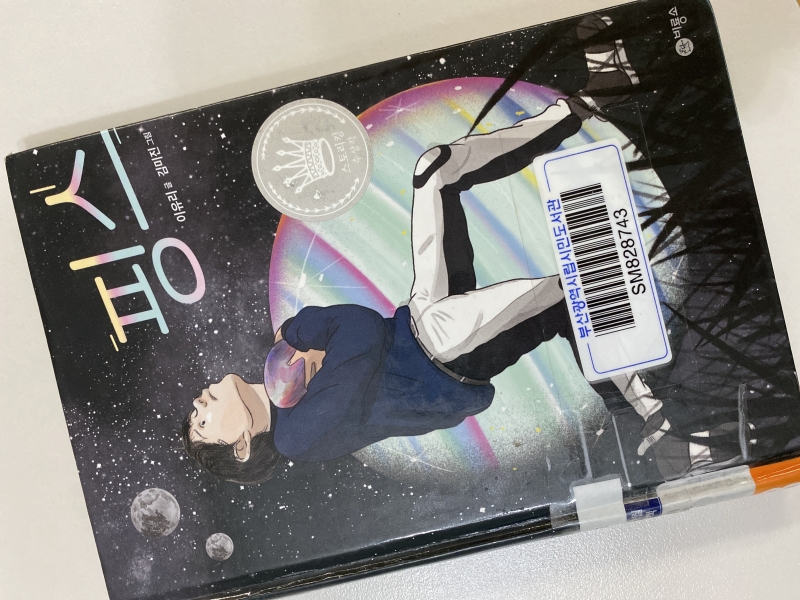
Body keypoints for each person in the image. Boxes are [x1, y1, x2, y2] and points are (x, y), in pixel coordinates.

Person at [182, 14, 697, 484]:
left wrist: (308, 343)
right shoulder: (298, 436)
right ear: (242, 446)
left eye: (195, 413)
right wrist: (302, 331)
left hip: (421, 320)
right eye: (202, 422)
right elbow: (362, 333)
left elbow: (367, 340)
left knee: (435, 171)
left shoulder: (284, 373)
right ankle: (660, 424)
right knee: (564, 297)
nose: (199, 405)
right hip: (443, 352)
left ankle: (592, 101)